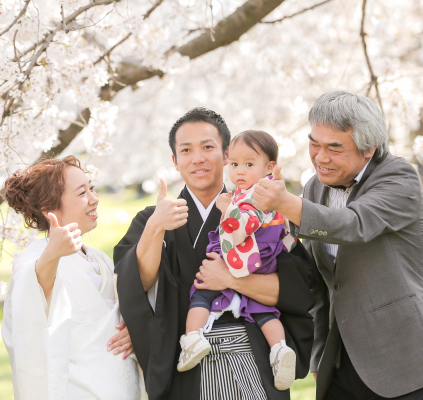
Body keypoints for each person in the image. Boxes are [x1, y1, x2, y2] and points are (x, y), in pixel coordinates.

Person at [251, 90, 423, 400]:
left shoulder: (399, 177)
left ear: (368, 149)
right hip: (341, 359)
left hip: (404, 355)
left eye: (334, 148)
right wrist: (320, 353)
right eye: (314, 144)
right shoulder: (314, 187)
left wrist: (285, 203)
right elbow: (323, 283)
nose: (320, 157)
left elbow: (353, 224)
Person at [114, 108, 315, 400]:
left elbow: (296, 291)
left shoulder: (266, 214)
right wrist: (156, 227)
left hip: (254, 355)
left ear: (226, 154)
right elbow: (134, 284)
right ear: (175, 161)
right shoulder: (154, 219)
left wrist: (230, 279)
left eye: (208, 147)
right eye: (186, 150)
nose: (198, 158)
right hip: (187, 364)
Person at [1, 156, 143, 400]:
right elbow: (34, 287)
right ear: (50, 209)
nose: (94, 199)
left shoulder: (100, 259)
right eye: (81, 193)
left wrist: (135, 330)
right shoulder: (35, 260)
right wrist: (52, 255)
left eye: (92, 188)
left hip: (122, 387)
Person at [179, 130, 296, 391]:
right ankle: (279, 349)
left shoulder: (253, 195)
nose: (239, 171)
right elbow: (288, 231)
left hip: (239, 255)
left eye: (249, 164)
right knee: (263, 310)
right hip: (265, 259)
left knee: (202, 291)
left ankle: (193, 339)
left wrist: (226, 209)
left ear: (270, 167)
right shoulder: (274, 196)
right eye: (234, 164)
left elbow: (241, 226)